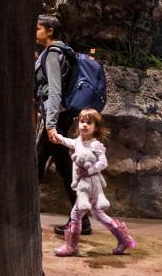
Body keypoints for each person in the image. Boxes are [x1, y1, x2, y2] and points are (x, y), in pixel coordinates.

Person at [50, 108, 137, 257]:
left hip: (90, 185)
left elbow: (103, 163)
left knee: (76, 213)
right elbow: (69, 142)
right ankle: (124, 239)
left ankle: (71, 246)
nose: (84, 125)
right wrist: (58, 138)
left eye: (89, 123)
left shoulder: (95, 144)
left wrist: (88, 171)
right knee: (98, 214)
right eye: (82, 122)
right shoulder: (79, 141)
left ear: (96, 127)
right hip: (84, 185)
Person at [35, 14, 92, 235]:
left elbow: (55, 91)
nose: (35, 32)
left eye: (38, 28)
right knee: (64, 169)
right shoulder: (60, 52)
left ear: (50, 31)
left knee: (35, 167)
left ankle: (20, 216)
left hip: (55, 119)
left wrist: (50, 125)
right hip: (58, 118)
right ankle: (81, 220)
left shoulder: (52, 54)